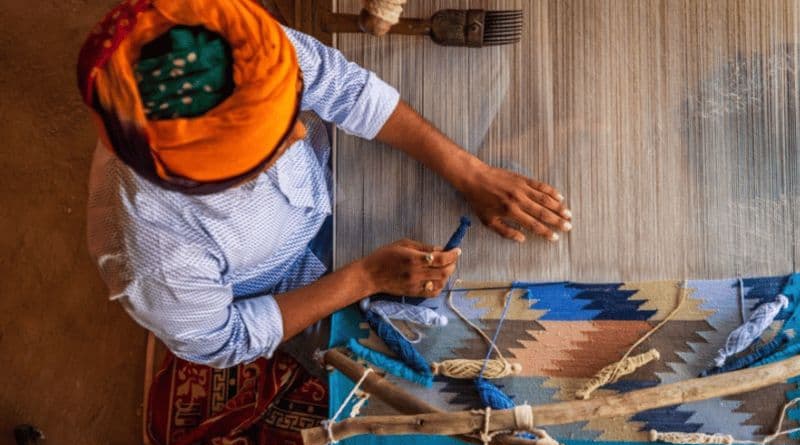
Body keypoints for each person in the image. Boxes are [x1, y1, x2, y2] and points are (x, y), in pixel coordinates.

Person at [79, 0, 572, 371]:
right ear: (210, 184)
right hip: (286, 284)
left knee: (485, 85)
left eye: (290, 109)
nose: (300, 131)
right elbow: (224, 340)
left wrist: (470, 172)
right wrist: (363, 279)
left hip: (323, 180)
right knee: (424, 365)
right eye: (273, 144)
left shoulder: (224, 41)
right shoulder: (160, 256)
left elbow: (341, 87)